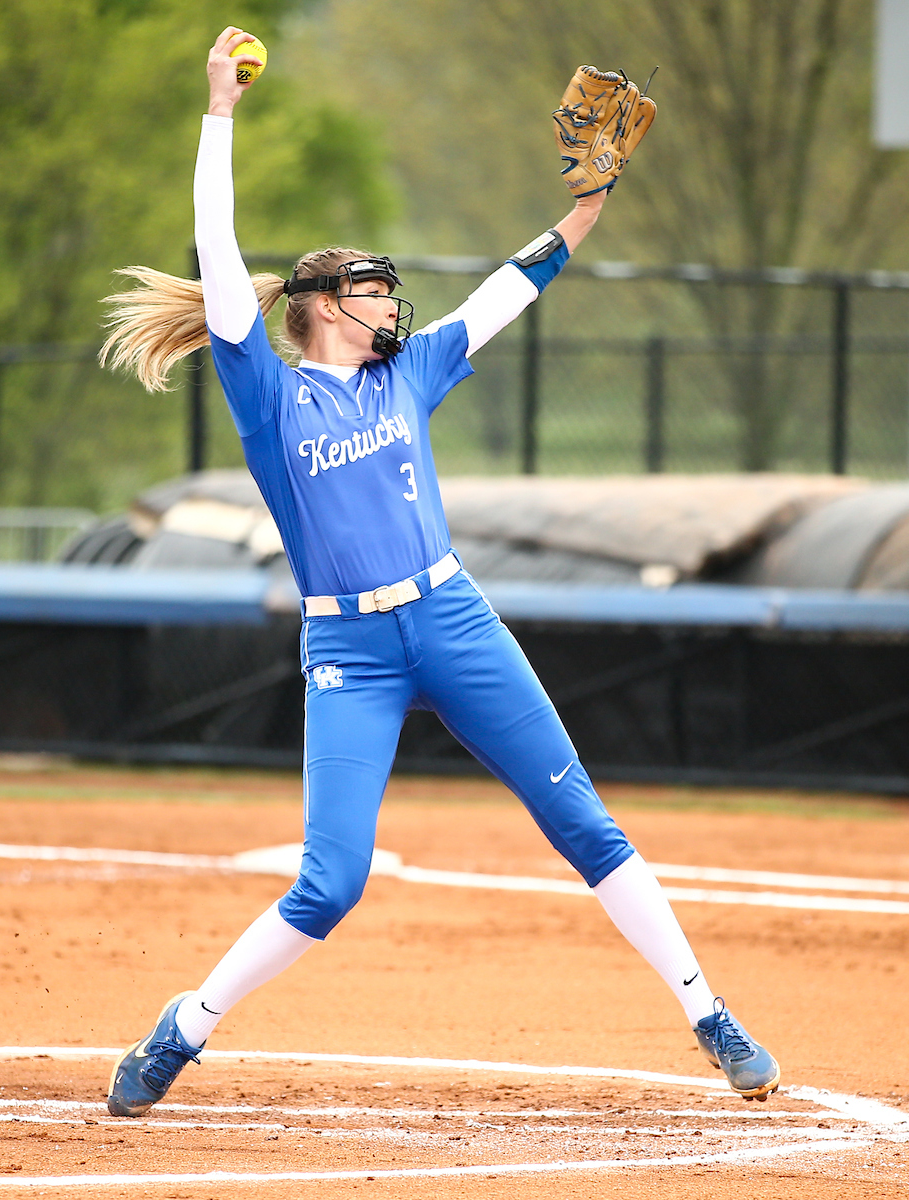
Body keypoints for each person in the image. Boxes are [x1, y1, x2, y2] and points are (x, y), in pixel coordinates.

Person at [101, 27, 780, 1118]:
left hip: (454, 617)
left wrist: (586, 211)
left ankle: (709, 1013)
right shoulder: (271, 393)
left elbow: (516, 286)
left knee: (587, 829)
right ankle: (183, 1029)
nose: (393, 305)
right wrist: (218, 116)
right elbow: (217, 251)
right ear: (324, 306)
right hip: (350, 651)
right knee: (330, 885)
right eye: (373, 292)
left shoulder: (411, 370)